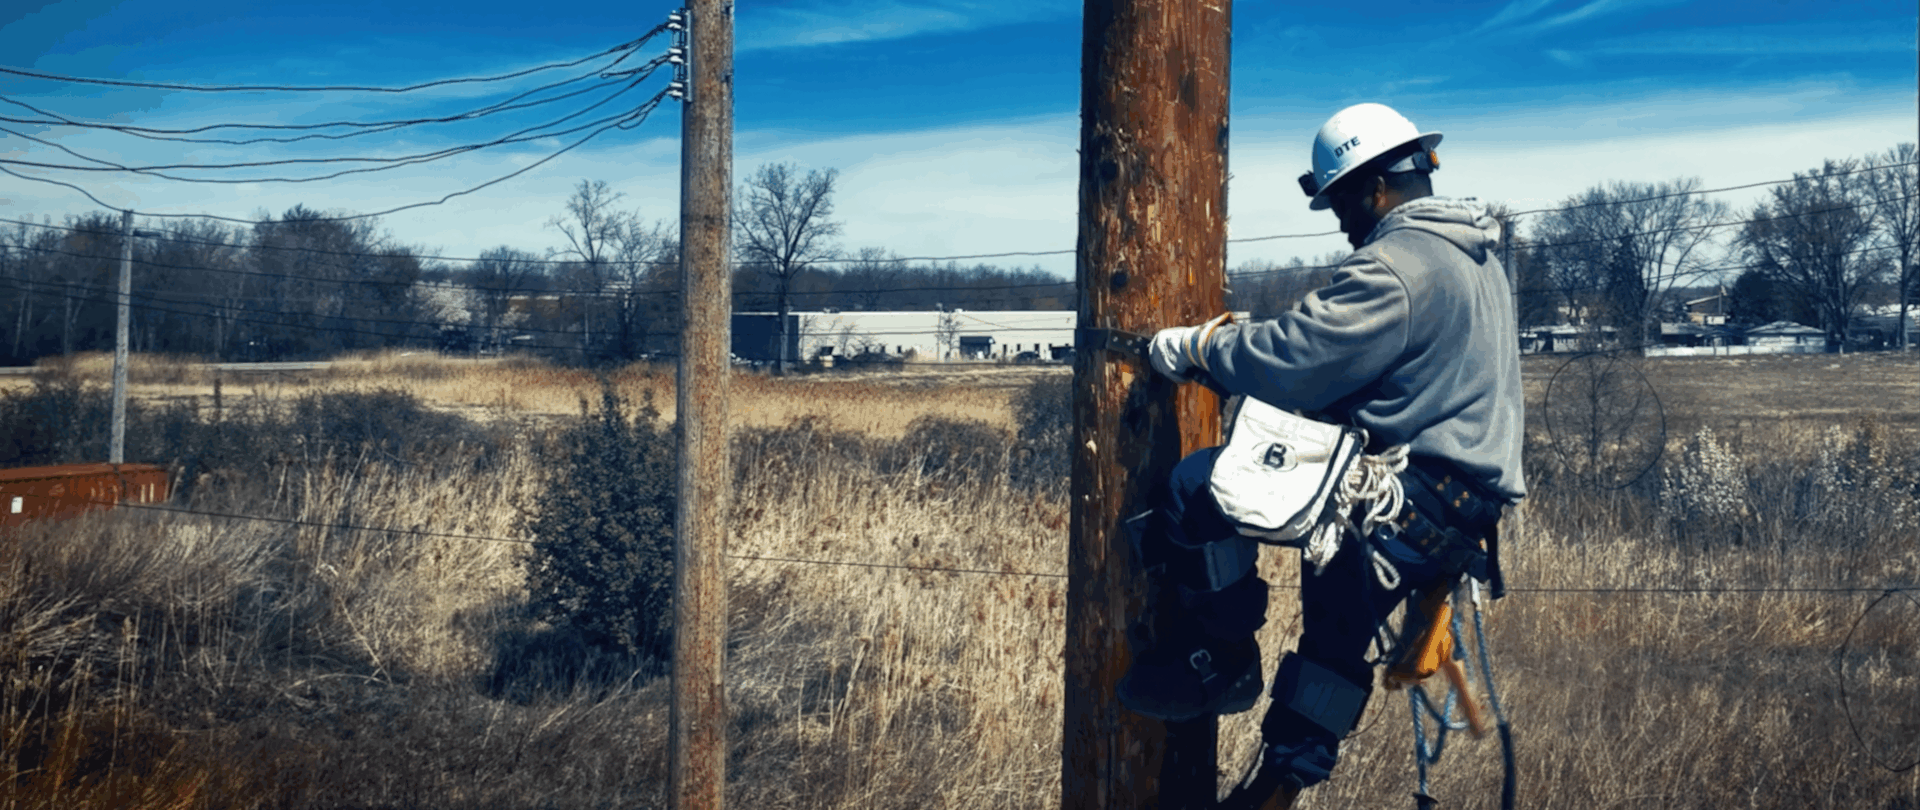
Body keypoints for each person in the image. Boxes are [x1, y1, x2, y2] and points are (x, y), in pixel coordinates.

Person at [1117, 102, 1527, 793]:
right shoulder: (1476, 257)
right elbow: (1381, 372)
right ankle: (1274, 792)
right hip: (1460, 511)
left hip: (1404, 497)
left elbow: (1299, 358)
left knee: (1196, 488)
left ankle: (1220, 656)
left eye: (1341, 201)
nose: (1340, 221)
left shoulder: (1397, 264)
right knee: (1331, 649)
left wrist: (1203, 349)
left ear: (1374, 187)